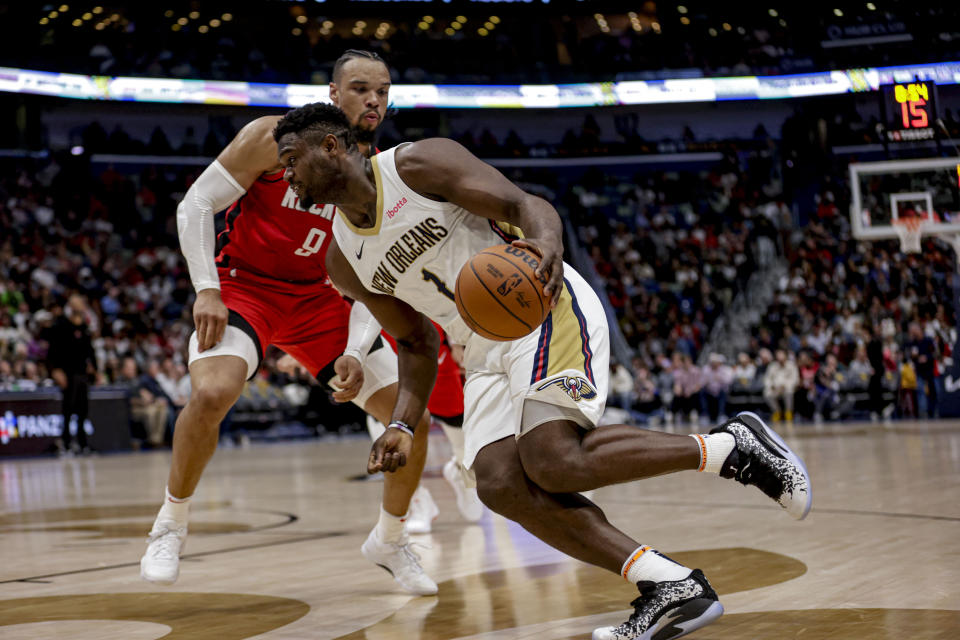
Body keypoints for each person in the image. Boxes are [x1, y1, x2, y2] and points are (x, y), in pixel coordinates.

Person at [275, 103, 812, 640]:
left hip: (538, 304)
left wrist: (547, 246)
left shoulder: (415, 166)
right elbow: (415, 342)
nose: (287, 174)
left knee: (553, 460)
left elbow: (523, 203)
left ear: (330, 147)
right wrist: (401, 424)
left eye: (291, 158)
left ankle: (732, 447)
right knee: (500, 483)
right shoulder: (343, 258)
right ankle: (671, 585)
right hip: (479, 348)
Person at [140, 50, 438, 596]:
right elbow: (197, 203)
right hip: (245, 286)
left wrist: (353, 346)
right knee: (212, 393)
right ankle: (170, 524)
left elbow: (378, 280)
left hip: (321, 301)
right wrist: (207, 288)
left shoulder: (383, 170)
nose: (373, 100)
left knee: (407, 415)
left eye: (383, 91)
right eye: (360, 88)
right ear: (333, 93)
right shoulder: (272, 137)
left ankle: (392, 538)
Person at [46, 294, 97, 455]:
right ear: (71, 305)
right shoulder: (62, 325)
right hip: (68, 373)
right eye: (78, 302)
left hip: (82, 373)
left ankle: (83, 444)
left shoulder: (84, 327)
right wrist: (55, 371)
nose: (81, 304)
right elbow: (53, 351)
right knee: (68, 410)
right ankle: (66, 444)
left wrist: (94, 367)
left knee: (83, 410)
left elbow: (90, 350)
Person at [763, 349, 799, 422]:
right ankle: (776, 412)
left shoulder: (791, 365)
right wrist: (771, 385)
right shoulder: (772, 366)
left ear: (786, 357)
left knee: (789, 393)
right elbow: (767, 378)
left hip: (786, 388)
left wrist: (785, 386)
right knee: (767, 393)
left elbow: (795, 379)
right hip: (775, 388)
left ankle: (788, 413)